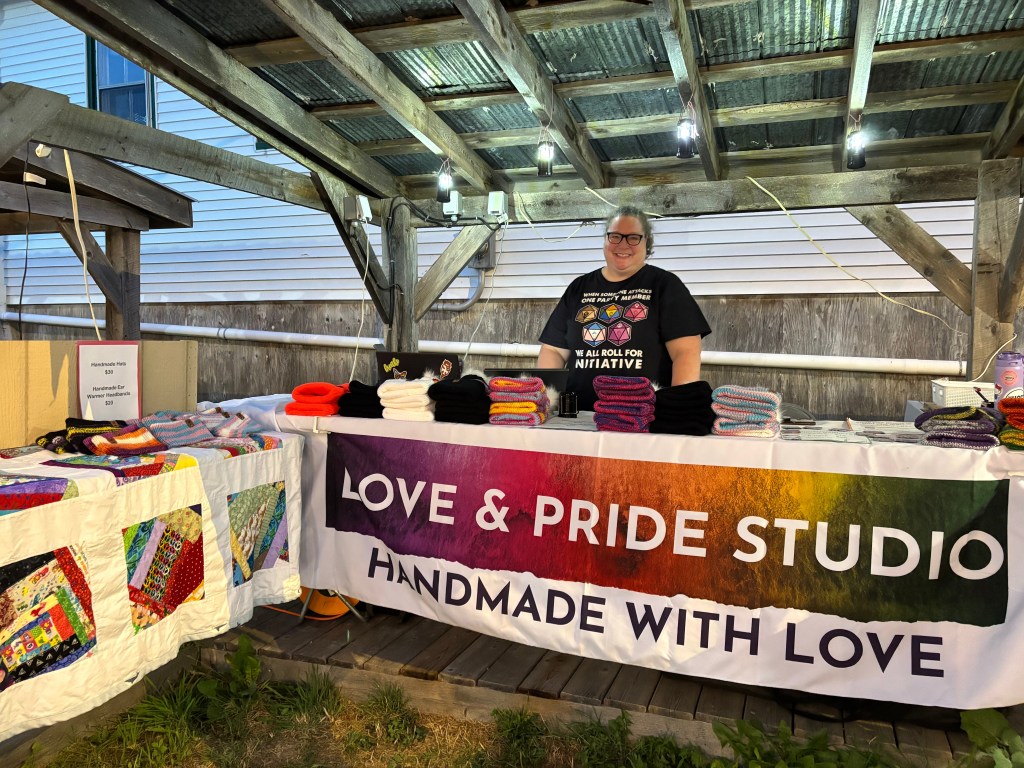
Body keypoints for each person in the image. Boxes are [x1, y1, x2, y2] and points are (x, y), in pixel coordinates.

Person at [537, 205, 711, 411]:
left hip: (641, 418)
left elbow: (685, 353)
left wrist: (679, 409)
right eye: (615, 236)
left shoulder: (665, 285)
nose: (623, 244)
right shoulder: (579, 288)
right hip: (577, 414)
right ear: (605, 239)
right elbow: (553, 350)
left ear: (647, 241)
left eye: (633, 238)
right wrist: (544, 404)